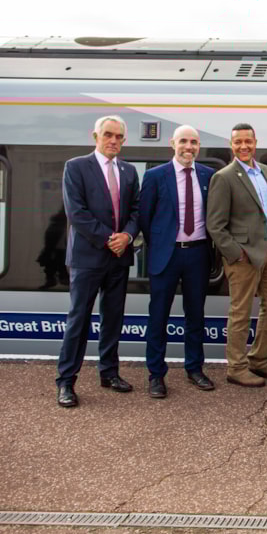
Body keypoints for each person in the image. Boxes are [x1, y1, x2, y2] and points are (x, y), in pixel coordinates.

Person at [56, 115, 141, 408]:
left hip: (119, 258)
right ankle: (66, 381)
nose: (113, 141)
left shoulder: (129, 171)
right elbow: (76, 213)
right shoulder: (76, 167)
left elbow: (135, 211)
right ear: (95, 136)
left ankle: (109, 373)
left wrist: (128, 237)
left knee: (113, 319)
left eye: (119, 137)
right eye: (108, 135)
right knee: (78, 320)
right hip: (88, 258)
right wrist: (110, 238)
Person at [206, 123, 267, 388]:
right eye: (238, 142)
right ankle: (236, 367)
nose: (243, 146)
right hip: (243, 256)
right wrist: (235, 253)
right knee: (241, 312)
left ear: (256, 142)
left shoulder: (264, 171)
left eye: (248, 141)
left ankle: (259, 360)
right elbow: (215, 225)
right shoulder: (224, 176)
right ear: (231, 145)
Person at [139, 125, 216, 399]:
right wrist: (161, 243)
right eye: (184, 141)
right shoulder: (155, 176)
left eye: (194, 142)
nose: (189, 147)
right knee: (158, 316)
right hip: (166, 255)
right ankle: (156, 375)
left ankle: (195, 369)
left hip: (197, 254)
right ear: (173, 143)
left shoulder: (209, 175)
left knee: (196, 315)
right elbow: (145, 218)